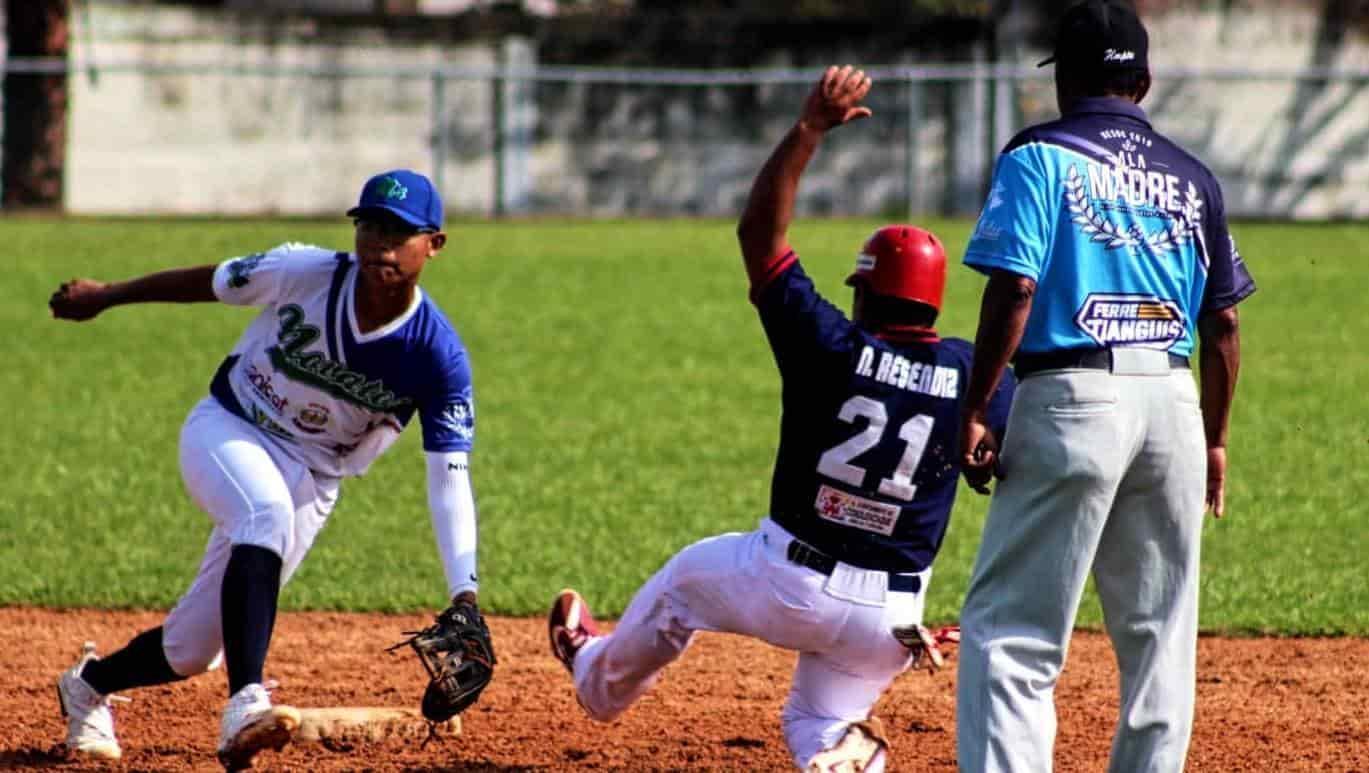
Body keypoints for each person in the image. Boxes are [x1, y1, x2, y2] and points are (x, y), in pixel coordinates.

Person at [546, 65, 1016, 772]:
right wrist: (984, 453)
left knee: (680, 586)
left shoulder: (830, 342)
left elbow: (758, 234)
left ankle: (596, 679)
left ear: (864, 292)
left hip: (788, 582)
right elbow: (1014, 449)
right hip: (893, 615)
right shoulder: (974, 373)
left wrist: (807, 130)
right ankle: (841, 752)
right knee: (816, 719)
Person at [48, 170, 491, 770]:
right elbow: (209, 282)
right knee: (264, 512)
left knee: (192, 649)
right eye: (370, 226)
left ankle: (88, 685)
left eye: (401, 232)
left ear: (433, 244)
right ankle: (246, 704)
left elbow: (449, 477)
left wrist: (465, 594)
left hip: (316, 477)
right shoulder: (304, 272)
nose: (381, 244)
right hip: (230, 429)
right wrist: (109, 294)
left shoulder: (437, 357)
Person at [953, 2, 1257, 771]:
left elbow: (1014, 287)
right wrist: (1215, 439)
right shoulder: (1191, 176)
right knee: (1160, 640)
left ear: (1065, 82)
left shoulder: (1038, 155)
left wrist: (976, 406)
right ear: (1144, 81)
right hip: (1175, 405)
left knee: (1013, 634)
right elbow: (1221, 326)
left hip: (1070, 397)